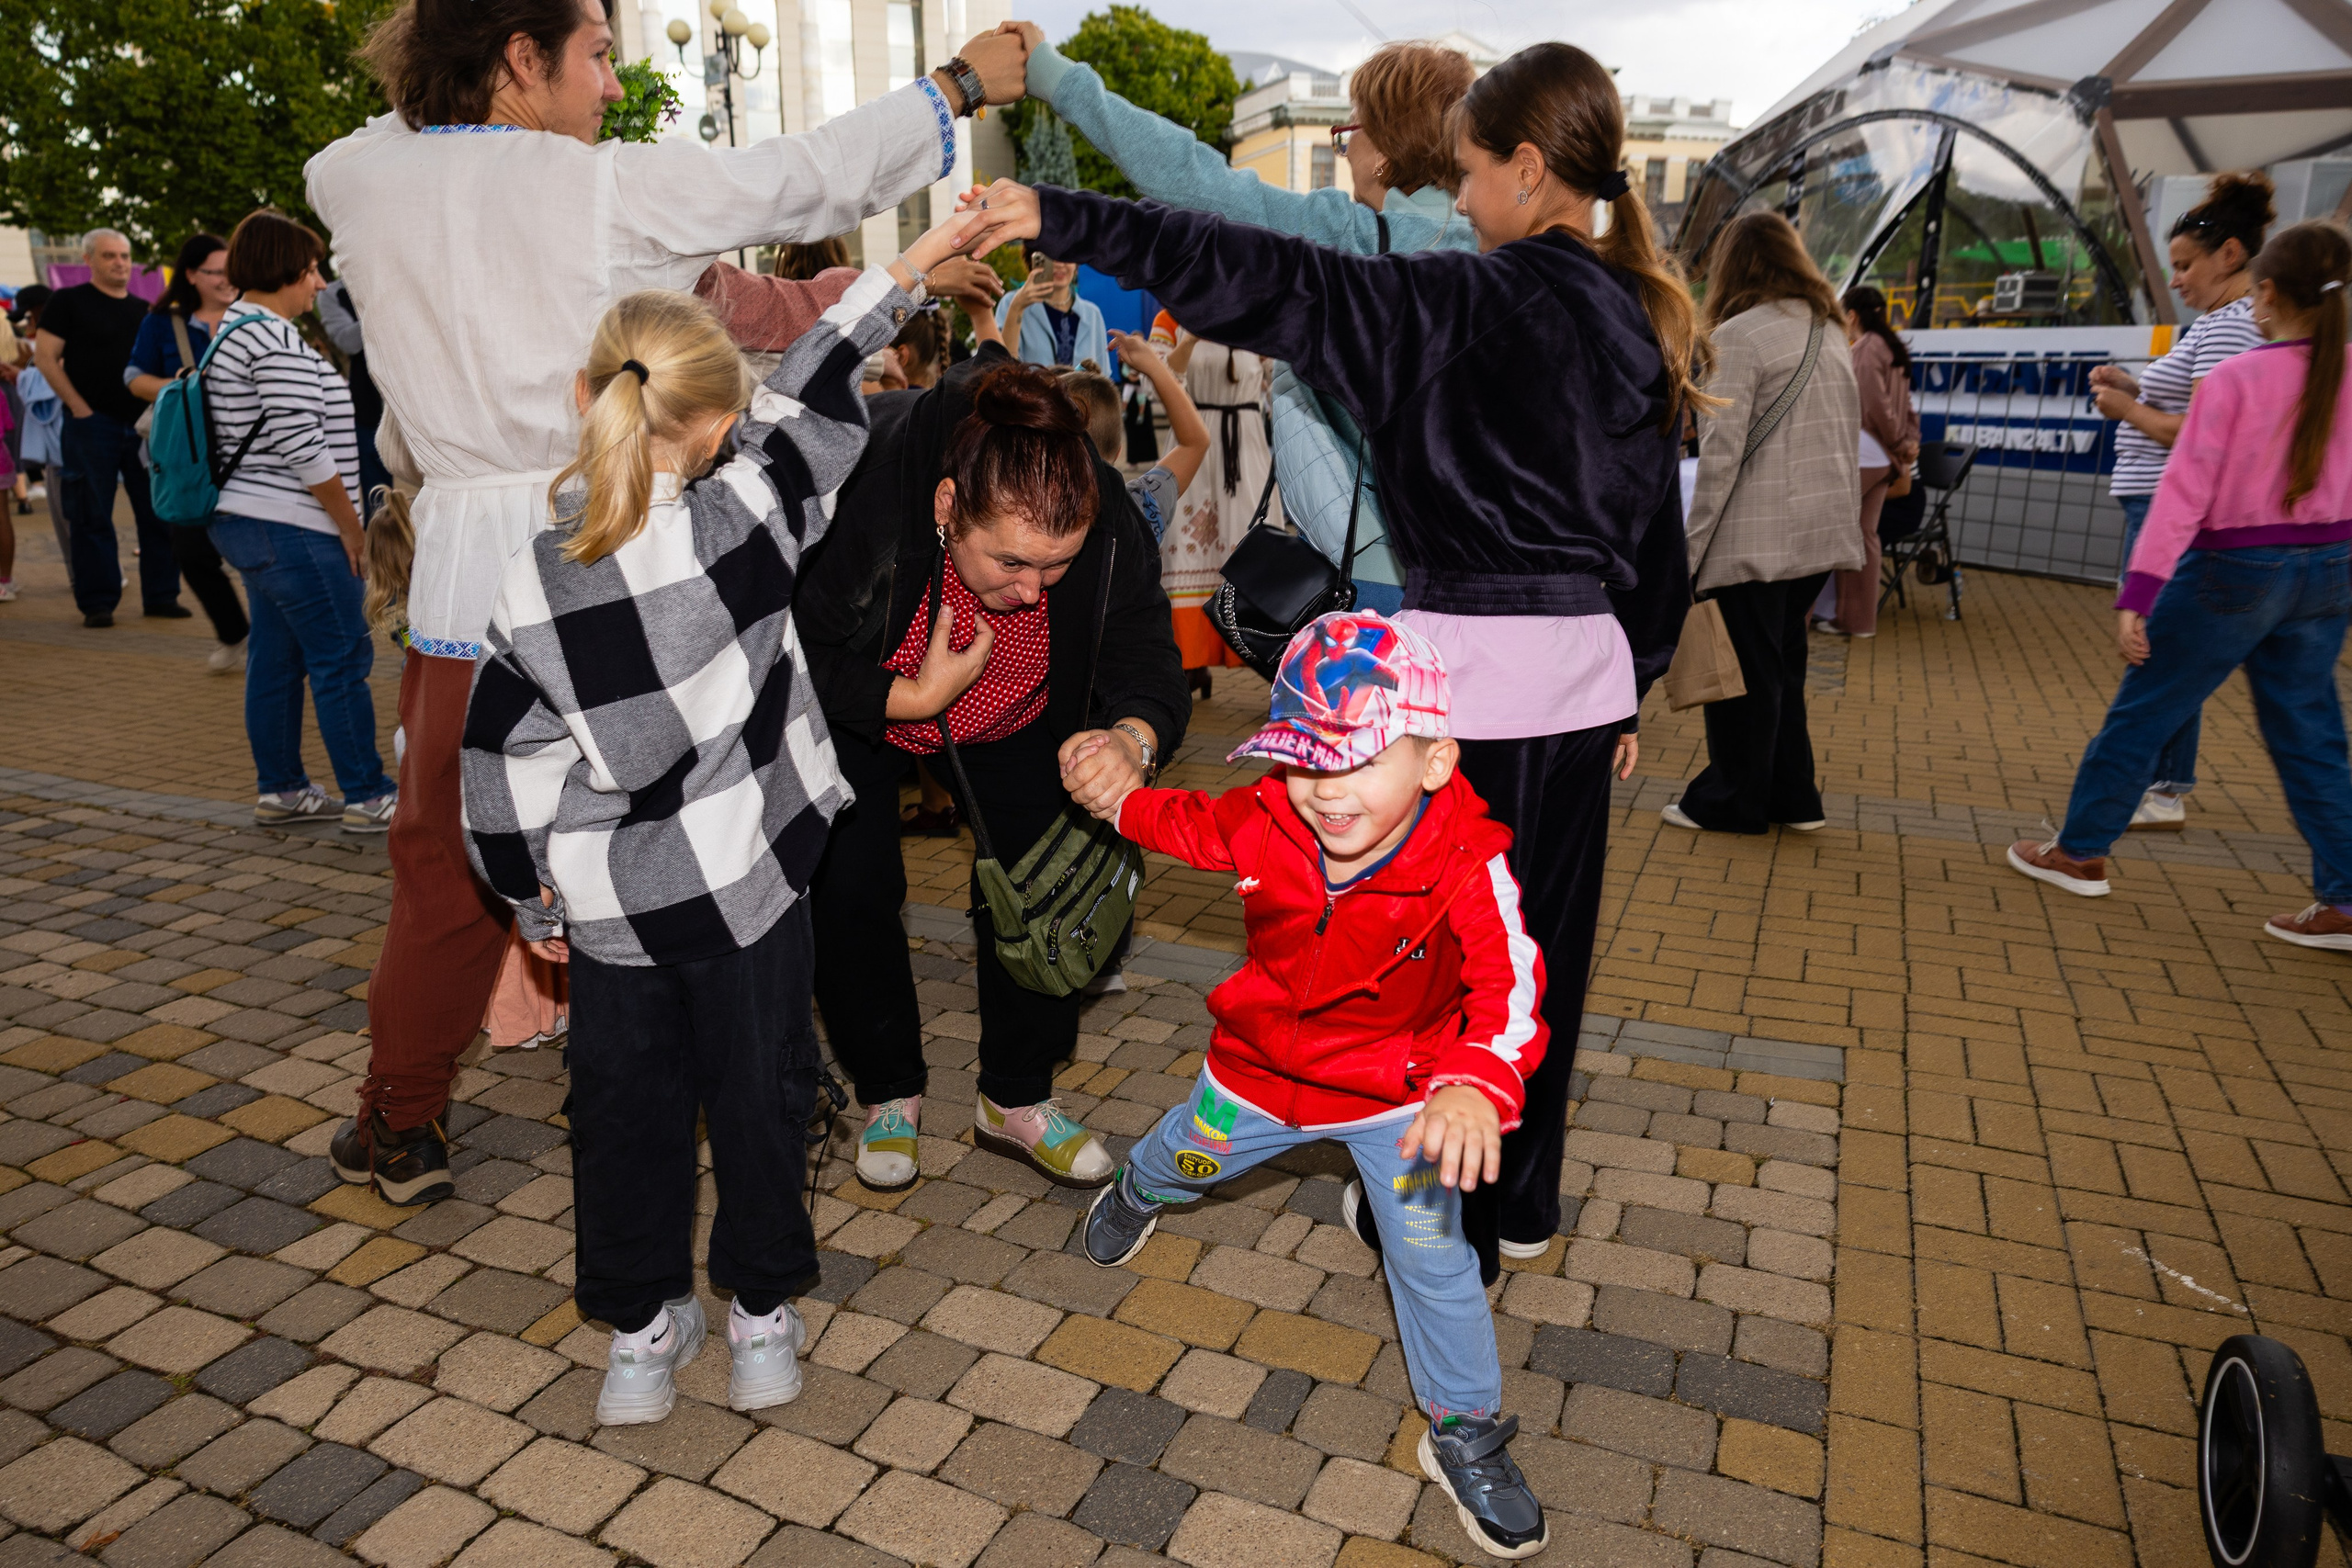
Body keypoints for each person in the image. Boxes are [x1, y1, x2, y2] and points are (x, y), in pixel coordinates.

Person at [944, 36, 1701, 1274]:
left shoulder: (1447, 299)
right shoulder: (1636, 313)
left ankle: (1450, 1218)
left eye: (1466, 176)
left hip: (1464, 694)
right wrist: (1640, 677)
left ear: (1522, 170)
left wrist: (1067, 213)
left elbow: (1252, 270)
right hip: (1584, 687)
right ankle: (1521, 1198)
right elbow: (1650, 532)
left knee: (1434, 959)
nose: (1452, 203)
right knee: (1534, 957)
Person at [304, 0, 1031, 1203]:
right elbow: (796, 182)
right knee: (694, 832)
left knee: (446, 869)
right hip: (619, 573)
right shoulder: (594, 191)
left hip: (458, 587)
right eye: (593, 52)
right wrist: (954, 86)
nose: (608, 83)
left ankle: (402, 1116)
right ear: (521, 58)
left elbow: (384, 150)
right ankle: (751, 1089)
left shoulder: (354, 179)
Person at [462, 239, 940, 1417]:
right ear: (720, 421)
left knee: (624, 1116)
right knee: (763, 1096)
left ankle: (636, 1341)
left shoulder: (530, 583)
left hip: (615, 916)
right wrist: (917, 262)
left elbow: (499, 764)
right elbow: (820, 387)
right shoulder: (752, 520)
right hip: (748, 888)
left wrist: (532, 900)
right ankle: (763, 1321)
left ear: (585, 399)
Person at [1075, 612, 1552, 1560]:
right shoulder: (1267, 813)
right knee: (1185, 1155)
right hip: (1253, 1075)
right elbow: (1182, 821)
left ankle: (1462, 1428)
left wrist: (1473, 1079)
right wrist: (1115, 797)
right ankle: (1140, 1186)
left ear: (1434, 762)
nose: (1323, 791)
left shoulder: (1467, 858)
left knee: (1435, 1261)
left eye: (1358, 761)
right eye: (1302, 761)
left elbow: (1512, 984)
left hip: (1399, 1096)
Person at [797, 350, 1187, 1193]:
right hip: (869, 709)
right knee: (854, 890)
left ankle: (1013, 1097)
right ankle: (888, 1088)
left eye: (1057, 565)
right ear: (948, 507)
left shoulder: (1101, 505)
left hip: (1019, 713)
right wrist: (908, 695)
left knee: (1043, 881)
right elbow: (792, 650)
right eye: (1011, 563)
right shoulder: (870, 480)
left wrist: (1130, 739)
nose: (1035, 590)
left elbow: (1146, 653)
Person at [1020, 29, 1480, 614]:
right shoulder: (1501, 254)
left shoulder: (1356, 240)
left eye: (1349, 133)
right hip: (1488, 587)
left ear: (1387, 146)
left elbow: (1194, 181)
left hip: (1382, 581)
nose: (1346, 152)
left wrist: (1054, 77)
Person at [2010, 220, 2352, 954]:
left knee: (2146, 707)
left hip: (2233, 567)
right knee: (2313, 734)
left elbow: (2184, 495)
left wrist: (2137, 594)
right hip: (2328, 568)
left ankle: (2079, 851)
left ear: (2263, 294)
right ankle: (2345, 897)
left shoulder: (2235, 379)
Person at [2085, 171, 2272, 831]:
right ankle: (2163, 781)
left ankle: (2154, 786)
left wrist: (2124, 405)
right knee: (2165, 648)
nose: (2180, 280)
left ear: (2231, 255)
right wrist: (2133, 385)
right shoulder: (2222, 324)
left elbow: (2198, 433)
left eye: (2186, 265)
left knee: (2155, 647)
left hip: (2166, 508)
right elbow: (2194, 404)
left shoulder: (2225, 329)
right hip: (2163, 506)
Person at [1664, 212, 1862, 836]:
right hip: (1818, 537)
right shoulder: (1828, 329)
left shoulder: (1740, 336)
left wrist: (1689, 553)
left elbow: (1720, 457)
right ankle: (1794, 795)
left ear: (1733, 266)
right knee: (1781, 667)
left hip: (1755, 536)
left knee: (1743, 679)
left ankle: (1731, 799)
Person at [201, 210, 398, 836]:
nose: (318, 283)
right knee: (342, 653)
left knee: (276, 658)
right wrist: (350, 526)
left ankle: (282, 787)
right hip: (291, 523)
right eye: (311, 269)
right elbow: (303, 445)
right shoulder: (272, 338)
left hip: (253, 520)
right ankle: (368, 793)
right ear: (283, 268)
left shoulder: (236, 330)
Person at [35, 229, 188, 628]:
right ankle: (98, 602)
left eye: (124, 256)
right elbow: (46, 358)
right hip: (92, 424)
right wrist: (78, 407)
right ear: (88, 260)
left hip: (141, 426)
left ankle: (161, 594)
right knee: (90, 513)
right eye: (109, 256)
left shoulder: (145, 310)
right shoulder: (67, 302)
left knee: (158, 511)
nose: (120, 263)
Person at [126, 232, 254, 671]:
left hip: (252, 458)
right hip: (190, 460)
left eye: (230, 270)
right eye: (215, 271)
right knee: (192, 552)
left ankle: (275, 641)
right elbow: (133, 378)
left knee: (259, 550)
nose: (226, 280)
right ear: (191, 275)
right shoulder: (163, 321)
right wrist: (183, 387)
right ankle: (236, 633)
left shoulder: (252, 315)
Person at [1814, 285, 1917, 639]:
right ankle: (1858, 622)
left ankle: (1811, 615)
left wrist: (1899, 440)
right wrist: (1907, 443)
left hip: (1864, 452)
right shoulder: (1894, 347)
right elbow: (1906, 406)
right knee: (1864, 536)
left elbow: (1874, 402)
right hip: (1884, 457)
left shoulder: (1868, 347)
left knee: (1827, 530)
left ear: (1852, 315)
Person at [1057, 330, 1210, 543]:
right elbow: (1196, 441)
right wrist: (1154, 366)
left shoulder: (1029, 513)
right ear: (1119, 450)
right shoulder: (1142, 504)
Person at [996, 247, 1105, 368]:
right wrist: (1017, 308)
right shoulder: (1011, 303)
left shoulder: (1093, 314)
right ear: (1034, 259)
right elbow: (1002, 367)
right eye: (1051, 255)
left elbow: (1103, 377)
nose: (1060, 264)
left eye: (1067, 256)